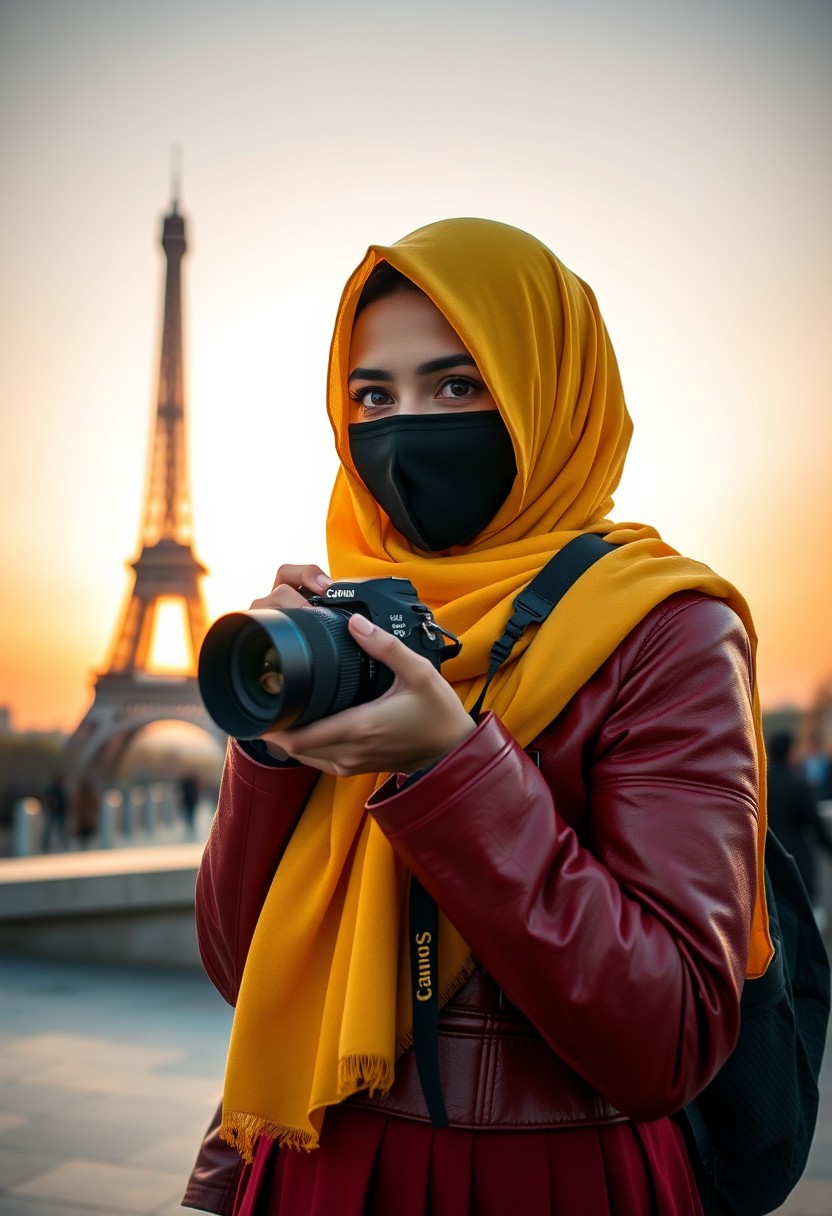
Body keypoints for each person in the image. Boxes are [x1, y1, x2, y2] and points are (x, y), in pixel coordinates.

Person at [184, 218, 772, 1216]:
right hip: (317, 1163)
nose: (404, 429)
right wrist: (270, 745)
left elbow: (668, 1034)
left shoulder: (664, 628)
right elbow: (238, 961)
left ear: (552, 392)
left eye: (456, 385)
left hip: (550, 1181)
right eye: (372, 395)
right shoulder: (356, 621)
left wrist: (449, 766)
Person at [767, 730, 832, 919]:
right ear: (790, 752)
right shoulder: (799, 785)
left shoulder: (760, 785)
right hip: (796, 858)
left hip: (767, 858)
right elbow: (815, 825)